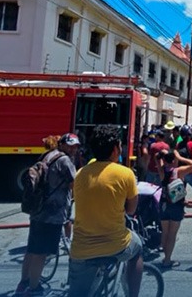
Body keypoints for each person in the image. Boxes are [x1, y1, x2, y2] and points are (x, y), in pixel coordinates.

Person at [68, 125, 143, 297]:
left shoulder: (80, 174)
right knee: (137, 248)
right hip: (116, 244)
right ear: (115, 149)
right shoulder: (125, 174)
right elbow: (131, 209)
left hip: (81, 248)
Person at [18, 134, 79, 296]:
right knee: (41, 253)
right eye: (70, 145)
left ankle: (24, 282)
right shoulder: (65, 160)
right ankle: (34, 288)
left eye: (75, 146)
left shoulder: (47, 155)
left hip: (37, 209)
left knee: (32, 249)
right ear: (62, 144)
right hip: (53, 212)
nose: (73, 149)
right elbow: (74, 184)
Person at [157, 149, 192, 268]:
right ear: (174, 160)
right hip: (176, 204)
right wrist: (180, 157)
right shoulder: (179, 171)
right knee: (172, 234)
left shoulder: (161, 170)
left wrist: (161, 156)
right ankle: (167, 259)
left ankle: (165, 257)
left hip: (164, 204)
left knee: (165, 232)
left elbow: (157, 157)